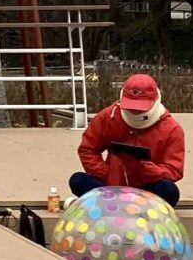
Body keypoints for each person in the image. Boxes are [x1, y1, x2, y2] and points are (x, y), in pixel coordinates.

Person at [70, 72, 185, 208]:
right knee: (77, 180)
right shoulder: (108, 116)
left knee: (169, 191)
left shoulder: (172, 129)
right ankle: (131, 206)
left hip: (147, 187)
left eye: (140, 108)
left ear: (155, 100)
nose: (134, 111)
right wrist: (105, 172)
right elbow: (87, 149)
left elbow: (175, 169)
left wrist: (153, 171)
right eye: (130, 106)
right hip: (110, 185)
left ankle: (110, 204)